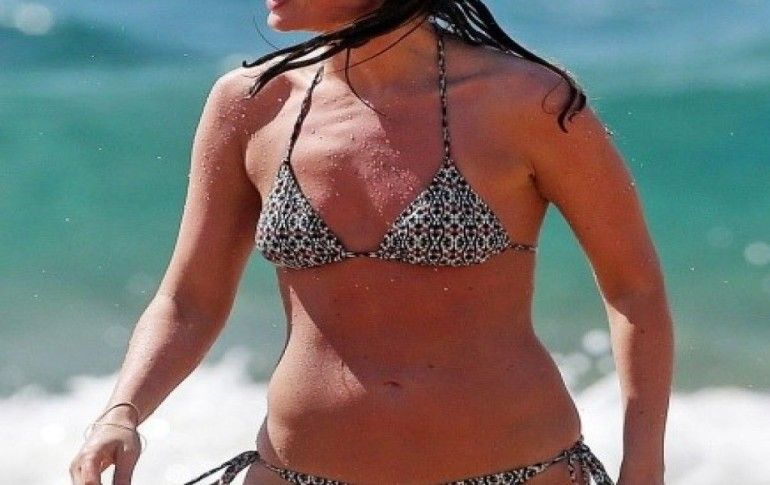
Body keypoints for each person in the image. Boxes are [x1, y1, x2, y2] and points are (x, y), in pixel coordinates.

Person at [69, 1, 675, 484]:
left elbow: (635, 291)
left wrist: (643, 468)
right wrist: (123, 412)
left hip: (516, 470)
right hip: (298, 471)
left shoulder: (527, 100)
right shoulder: (252, 103)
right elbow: (189, 301)